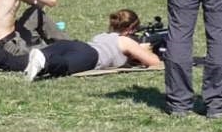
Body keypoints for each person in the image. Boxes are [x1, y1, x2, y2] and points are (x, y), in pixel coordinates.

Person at [23, 10, 165, 80]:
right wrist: (144, 50)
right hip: (91, 56)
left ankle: (37, 59)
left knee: (36, 56)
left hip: (74, 45)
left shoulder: (102, 35)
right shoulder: (126, 41)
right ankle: (44, 62)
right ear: (130, 30)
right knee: (63, 66)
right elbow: (155, 62)